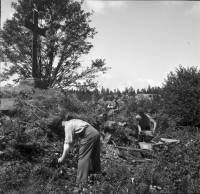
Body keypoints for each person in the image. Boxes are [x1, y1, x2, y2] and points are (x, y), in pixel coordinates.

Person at [51, 114, 101, 184]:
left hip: (89, 133)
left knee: (82, 157)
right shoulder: (72, 121)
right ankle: (97, 175)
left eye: (58, 128)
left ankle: (81, 182)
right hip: (95, 132)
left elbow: (67, 144)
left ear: (59, 125)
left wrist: (62, 158)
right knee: (95, 155)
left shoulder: (67, 126)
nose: (59, 130)